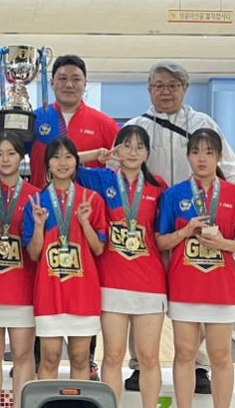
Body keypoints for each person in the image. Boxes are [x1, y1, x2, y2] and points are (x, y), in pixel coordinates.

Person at [123, 61, 235, 393]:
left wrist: (224, 218)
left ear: (185, 89)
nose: (166, 91)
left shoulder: (204, 124)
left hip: (198, 229)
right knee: (143, 299)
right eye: (159, 85)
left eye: (173, 86)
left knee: (198, 294)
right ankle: (139, 364)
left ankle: (200, 366)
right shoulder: (136, 127)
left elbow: (231, 171)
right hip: (149, 230)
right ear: (149, 89)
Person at [156, 128, 235, 408]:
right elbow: (161, 241)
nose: (202, 158)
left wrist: (223, 243)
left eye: (209, 152)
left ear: (219, 157)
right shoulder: (173, 195)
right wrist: (185, 232)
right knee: (185, 353)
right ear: (188, 156)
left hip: (222, 288)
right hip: (184, 287)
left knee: (220, 355)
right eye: (196, 152)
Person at [77, 126, 167, 408]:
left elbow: (163, 234)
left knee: (149, 357)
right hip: (111, 282)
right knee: (113, 356)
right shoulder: (103, 179)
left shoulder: (158, 186)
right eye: (126, 145)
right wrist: (98, 154)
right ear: (117, 148)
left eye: (139, 147)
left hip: (149, 284)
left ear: (148, 153)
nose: (132, 152)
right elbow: (65, 161)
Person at [23, 137, 107, 381]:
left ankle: (75, 401)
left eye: (68, 157)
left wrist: (85, 223)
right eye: (56, 157)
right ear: (47, 164)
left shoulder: (91, 199)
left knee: (80, 357)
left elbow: (98, 248)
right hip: (49, 292)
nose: (62, 162)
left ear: (76, 162)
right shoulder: (37, 202)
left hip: (82, 292)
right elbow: (34, 254)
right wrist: (39, 226)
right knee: (49, 357)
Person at [0, 132, 39, 408]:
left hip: (22, 287)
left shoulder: (35, 195)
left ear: (21, 157)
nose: (5, 159)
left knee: (22, 355)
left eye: (11, 153)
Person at [29, 54, 119, 189]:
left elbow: (121, 167)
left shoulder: (105, 124)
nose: (69, 85)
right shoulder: (34, 119)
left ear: (85, 83)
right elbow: (10, 153)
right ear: (52, 83)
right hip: (41, 200)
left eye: (76, 79)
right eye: (62, 78)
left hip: (88, 201)